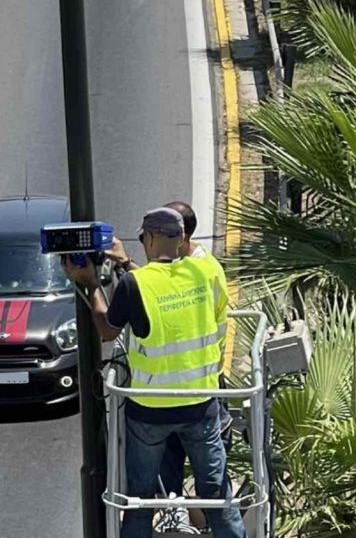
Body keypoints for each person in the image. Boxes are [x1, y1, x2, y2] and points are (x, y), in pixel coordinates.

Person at [62, 207, 246, 538]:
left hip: (150, 412)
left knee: (140, 500)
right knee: (217, 496)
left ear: (148, 239)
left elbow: (107, 330)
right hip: (200, 404)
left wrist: (90, 285)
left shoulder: (135, 284)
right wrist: (124, 262)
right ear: (181, 240)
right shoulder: (201, 273)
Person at [107, 201, 233, 498]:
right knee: (211, 489)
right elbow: (163, 286)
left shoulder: (199, 270)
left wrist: (97, 282)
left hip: (171, 398)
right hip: (198, 393)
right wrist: (127, 265)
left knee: (147, 491)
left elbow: (152, 293)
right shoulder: (200, 269)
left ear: (181, 238)